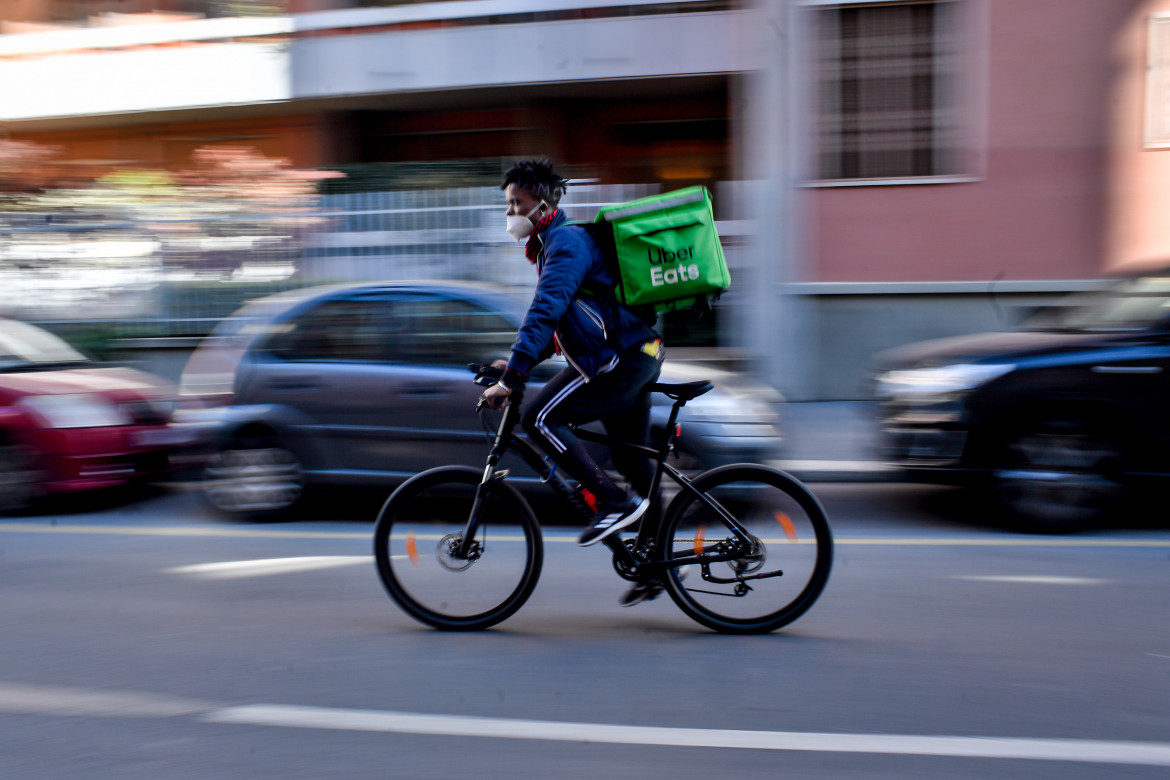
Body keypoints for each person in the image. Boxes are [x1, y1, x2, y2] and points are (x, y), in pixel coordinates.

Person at [481, 158, 665, 568]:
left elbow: (545, 309)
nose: (510, 213)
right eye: (508, 205)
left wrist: (512, 378)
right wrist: (514, 364)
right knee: (631, 461)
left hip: (620, 359)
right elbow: (566, 325)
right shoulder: (556, 245)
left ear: (543, 207)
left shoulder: (564, 244)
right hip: (637, 353)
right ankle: (658, 566)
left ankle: (612, 501)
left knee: (538, 418)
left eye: (516, 203)